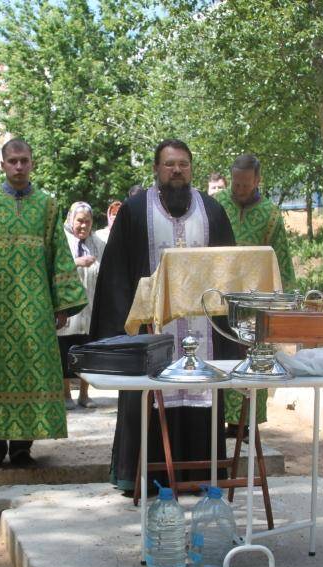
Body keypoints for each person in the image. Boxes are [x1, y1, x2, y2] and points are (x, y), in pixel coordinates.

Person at [90, 139, 237, 493]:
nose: (177, 170)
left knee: (202, 393)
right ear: (156, 169)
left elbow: (229, 273)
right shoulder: (134, 211)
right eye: (169, 164)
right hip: (151, 334)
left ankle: (201, 478)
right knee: (148, 399)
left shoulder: (212, 211)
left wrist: (231, 336)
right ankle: (146, 480)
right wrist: (121, 336)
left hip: (204, 335)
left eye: (183, 164)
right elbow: (115, 276)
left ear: (191, 168)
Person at [0, 139, 87, 471]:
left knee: (31, 374)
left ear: (32, 163)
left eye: (24, 160)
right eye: (13, 161)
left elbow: (60, 257)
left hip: (36, 310)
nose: (19, 166)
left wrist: (62, 304)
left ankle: (23, 447)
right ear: (3, 165)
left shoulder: (48, 206)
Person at [214, 153, 295, 437]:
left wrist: (284, 301)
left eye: (245, 185)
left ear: (258, 180)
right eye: (236, 183)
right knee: (219, 358)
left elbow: (280, 260)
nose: (239, 189)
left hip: (254, 304)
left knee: (252, 359)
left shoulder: (271, 215)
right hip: (218, 299)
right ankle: (215, 420)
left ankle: (244, 425)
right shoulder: (217, 205)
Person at [57, 201, 106, 410]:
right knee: (65, 351)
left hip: (91, 306)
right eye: (79, 221)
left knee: (87, 352)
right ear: (71, 219)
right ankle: (66, 394)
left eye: (88, 221)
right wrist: (76, 263)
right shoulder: (61, 241)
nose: (84, 225)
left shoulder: (98, 243)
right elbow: (54, 268)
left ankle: (84, 395)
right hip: (67, 308)